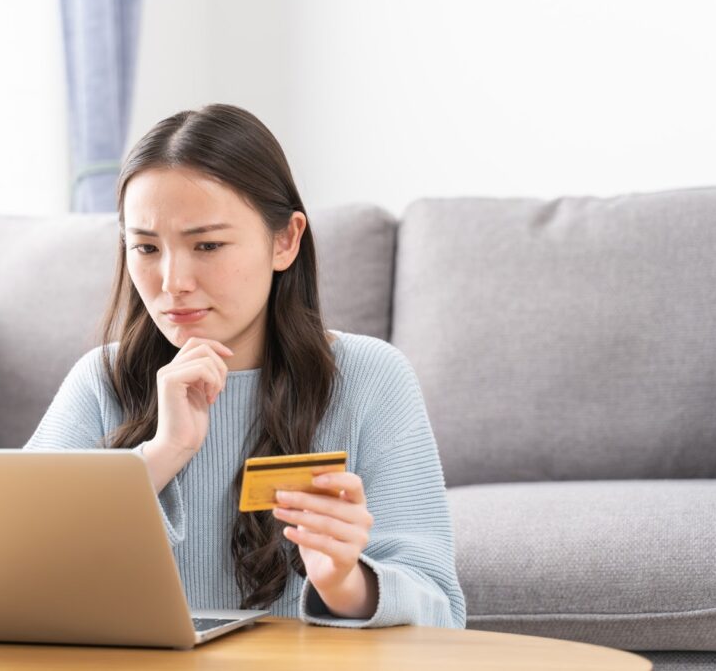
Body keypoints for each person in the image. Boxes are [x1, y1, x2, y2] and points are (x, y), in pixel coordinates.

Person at [24, 103, 466, 629]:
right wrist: (162, 454)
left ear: (285, 240)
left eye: (207, 244)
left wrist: (345, 582)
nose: (172, 282)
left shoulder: (371, 378)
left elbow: (441, 610)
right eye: (145, 247)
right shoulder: (102, 381)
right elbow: (5, 571)